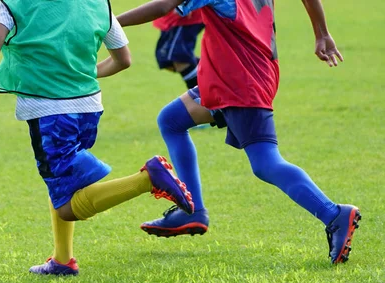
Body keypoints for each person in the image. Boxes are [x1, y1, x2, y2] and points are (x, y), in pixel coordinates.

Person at [117, 0, 361, 264]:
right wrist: (322, 33)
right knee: (172, 120)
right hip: (240, 72)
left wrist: (109, 22)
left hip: (241, 81)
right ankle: (193, 210)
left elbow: (164, 6)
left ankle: (334, 214)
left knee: (266, 163)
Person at [0, 0, 194, 276]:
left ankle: (147, 179)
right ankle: (63, 260)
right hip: (89, 109)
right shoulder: (98, 3)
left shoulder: (16, 3)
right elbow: (123, 60)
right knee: (61, 182)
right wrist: (83, 72)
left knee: (66, 206)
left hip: (49, 111)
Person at [153, 10, 204, 89]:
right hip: (171, 11)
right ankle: (215, 78)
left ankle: (202, 95)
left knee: (178, 57)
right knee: (166, 60)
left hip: (185, 14)